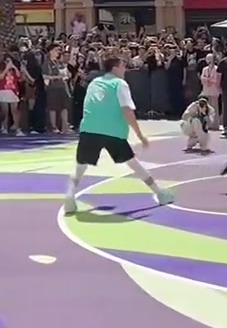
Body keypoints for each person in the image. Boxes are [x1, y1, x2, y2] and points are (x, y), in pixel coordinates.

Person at [64, 53, 173, 215]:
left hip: (90, 128)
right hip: (113, 130)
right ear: (115, 68)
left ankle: (69, 196)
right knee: (133, 163)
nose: (125, 69)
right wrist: (140, 135)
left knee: (80, 166)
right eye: (122, 66)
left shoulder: (95, 83)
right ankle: (160, 193)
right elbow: (127, 110)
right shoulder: (120, 84)